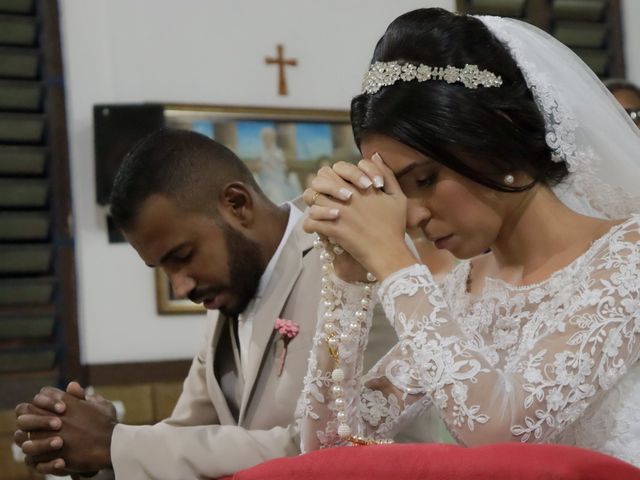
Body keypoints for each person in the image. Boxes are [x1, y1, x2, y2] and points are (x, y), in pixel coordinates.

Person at [296, 8, 640, 468]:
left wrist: (392, 259)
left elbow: (504, 433)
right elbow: (329, 446)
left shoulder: (627, 258)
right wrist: (348, 280)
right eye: (396, 190)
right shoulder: (463, 292)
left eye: (425, 179)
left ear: (498, 137)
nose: (412, 217)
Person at [13, 128, 326, 479]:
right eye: (161, 268)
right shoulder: (227, 290)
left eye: (183, 255)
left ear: (237, 204)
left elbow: (323, 448)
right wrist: (94, 450)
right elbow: (186, 436)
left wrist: (115, 444)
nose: (179, 287)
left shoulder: (346, 264)